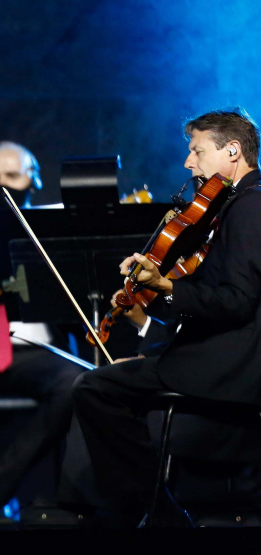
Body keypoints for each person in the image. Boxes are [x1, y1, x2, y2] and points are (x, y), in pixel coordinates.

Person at [73, 108, 261, 526]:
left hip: (230, 365)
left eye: (197, 151)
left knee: (93, 388)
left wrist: (167, 287)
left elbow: (236, 302)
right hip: (210, 350)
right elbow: (203, 297)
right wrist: (157, 291)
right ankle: (152, 513)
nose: (187, 163)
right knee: (101, 381)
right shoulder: (230, 204)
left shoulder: (251, 206)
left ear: (233, 151)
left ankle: (157, 516)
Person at [0, 141, 84, 515]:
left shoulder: (56, 229)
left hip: (40, 353)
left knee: (79, 382)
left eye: (12, 176)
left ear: (34, 180)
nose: (1, 186)